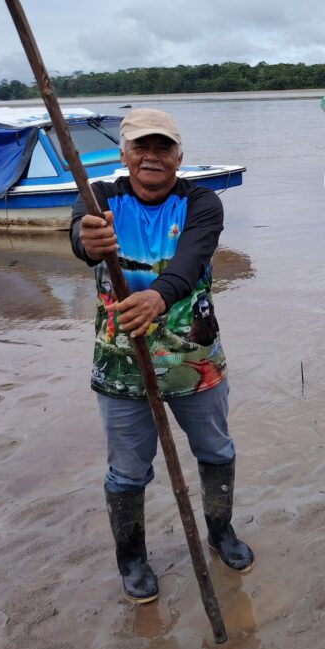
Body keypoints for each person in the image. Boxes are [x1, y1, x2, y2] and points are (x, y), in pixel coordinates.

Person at [69, 107, 253, 604]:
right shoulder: (101, 197)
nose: (152, 157)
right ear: (124, 153)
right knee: (127, 472)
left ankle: (221, 533)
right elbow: (82, 240)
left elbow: (193, 257)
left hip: (196, 360)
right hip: (121, 364)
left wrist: (160, 295)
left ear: (179, 155)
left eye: (163, 147)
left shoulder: (202, 202)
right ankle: (131, 560)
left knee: (216, 451)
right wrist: (86, 241)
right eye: (142, 147)